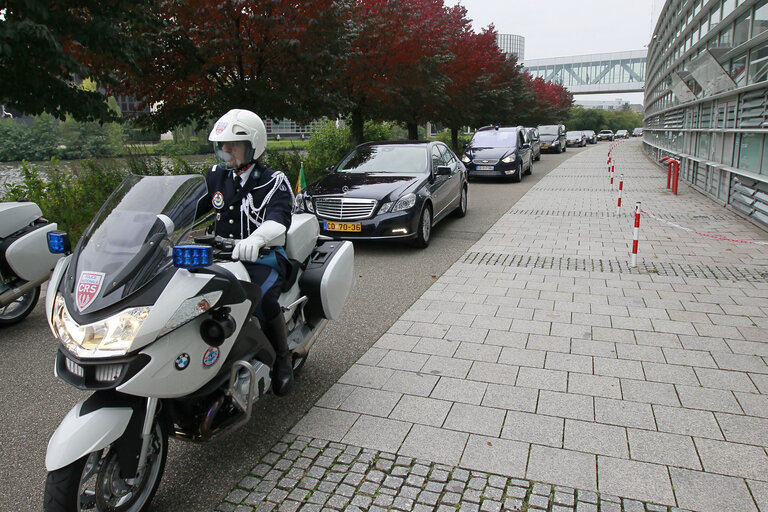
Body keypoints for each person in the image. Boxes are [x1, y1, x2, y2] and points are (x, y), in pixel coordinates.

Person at [200, 109, 295, 396]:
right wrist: (159, 223)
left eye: (234, 145)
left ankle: (282, 358)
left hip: (261, 257)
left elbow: (279, 219)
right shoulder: (216, 176)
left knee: (262, 298)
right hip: (221, 256)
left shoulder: (273, 181)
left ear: (253, 146)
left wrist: (257, 238)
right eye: (222, 145)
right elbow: (192, 208)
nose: (226, 151)